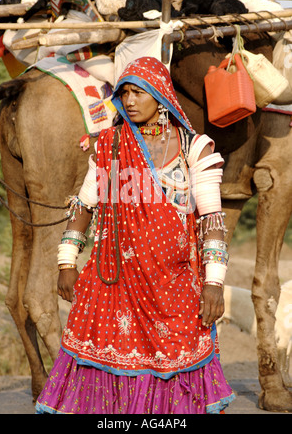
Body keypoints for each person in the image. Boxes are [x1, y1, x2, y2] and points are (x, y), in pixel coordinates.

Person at [35, 56, 235, 414]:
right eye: (123, 92)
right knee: (112, 364)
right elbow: (84, 205)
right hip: (114, 281)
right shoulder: (110, 144)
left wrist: (215, 283)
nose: (129, 100)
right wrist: (67, 262)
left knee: (172, 365)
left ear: (160, 96)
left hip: (172, 283)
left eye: (138, 92)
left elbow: (212, 220)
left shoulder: (195, 147)